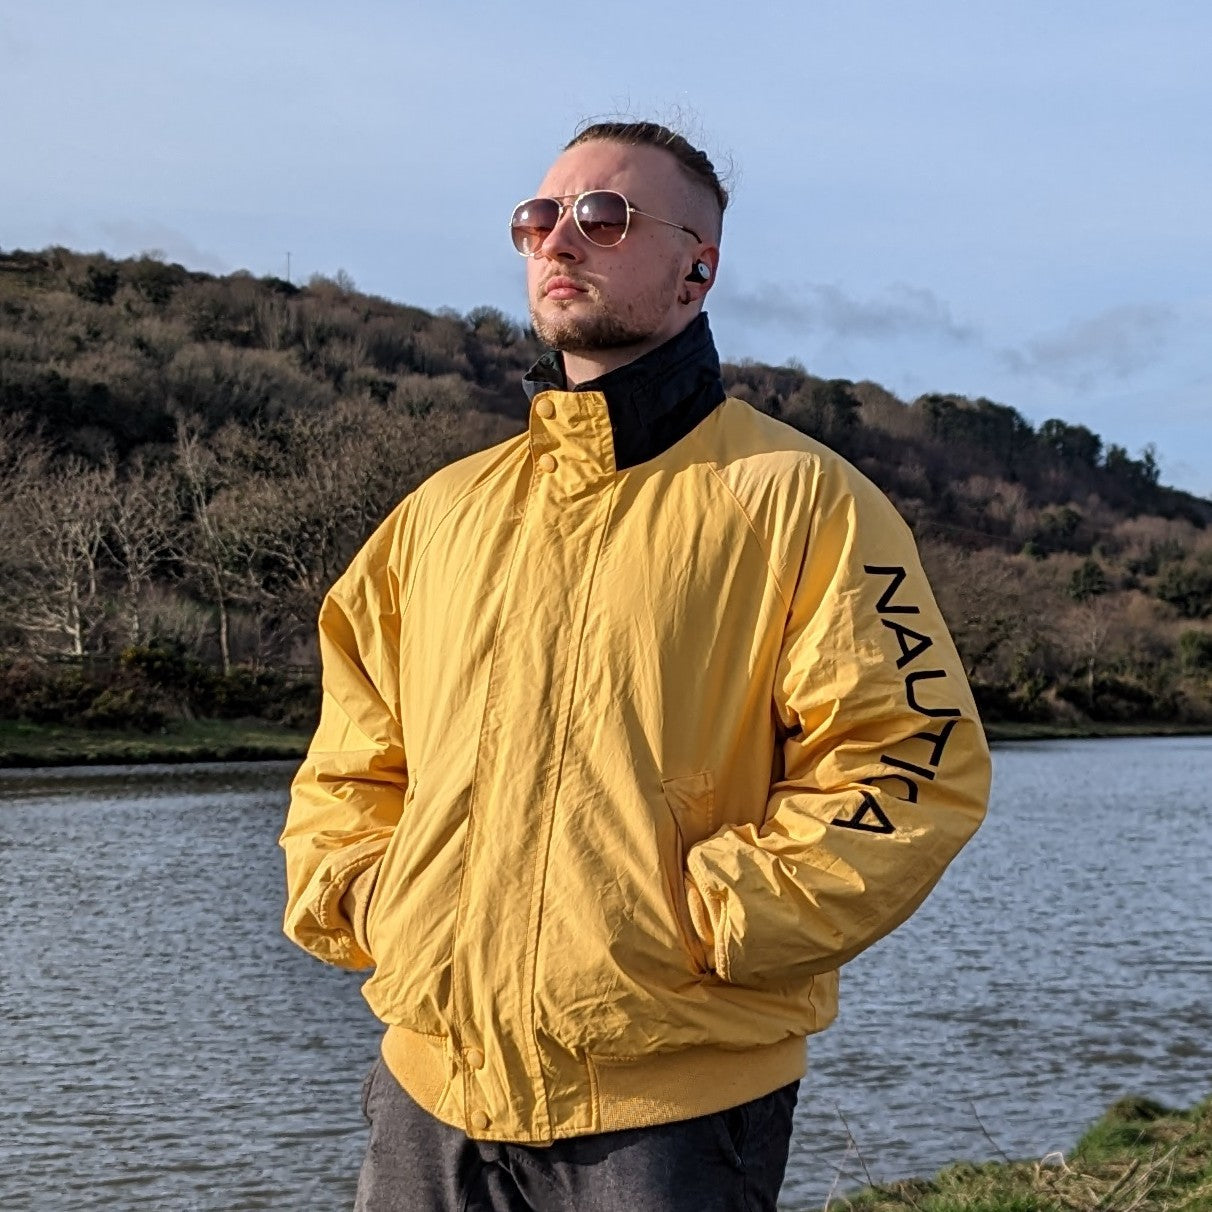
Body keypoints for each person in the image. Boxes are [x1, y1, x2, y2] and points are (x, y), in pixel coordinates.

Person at [280, 121, 992, 1211]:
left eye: (603, 217)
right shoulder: (437, 517)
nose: (558, 240)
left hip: (670, 1107)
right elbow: (350, 762)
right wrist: (371, 899)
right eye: (538, 217)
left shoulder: (802, 501)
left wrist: (707, 917)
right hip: (428, 1093)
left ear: (697, 270)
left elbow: (912, 761)